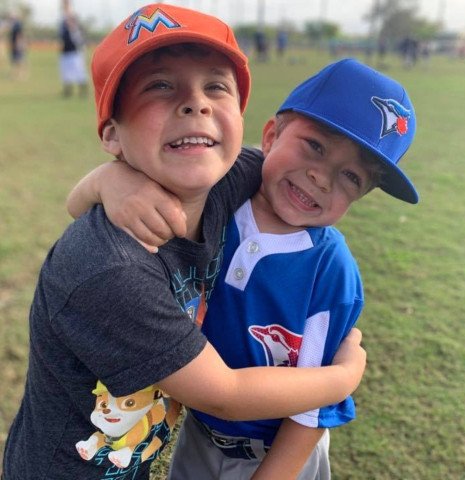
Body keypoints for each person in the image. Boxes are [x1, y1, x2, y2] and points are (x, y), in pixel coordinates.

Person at [1, 5, 366, 480]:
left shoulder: (228, 181)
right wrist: (342, 379)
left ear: (240, 117)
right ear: (113, 134)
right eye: (159, 85)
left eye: (216, 86)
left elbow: (297, 170)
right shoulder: (112, 269)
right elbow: (224, 395)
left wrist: (103, 182)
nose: (196, 104)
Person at [66, 58, 418, 479]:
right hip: (199, 433)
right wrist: (109, 180)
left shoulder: (331, 271)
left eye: (351, 177)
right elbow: (81, 208)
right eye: (315, 146)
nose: (321, 178)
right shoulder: (213, 199)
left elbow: (311, 405)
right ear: (271, 135)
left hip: (281, 458)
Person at [59, 0, 88, 97]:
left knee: (79, 71)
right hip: (65, 50)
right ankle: (68, 91)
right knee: (66, 72)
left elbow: (77, 35)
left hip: (74, 50)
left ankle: (83, 90)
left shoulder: (72, 17)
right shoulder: (62, 19)